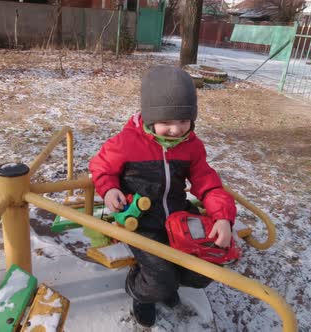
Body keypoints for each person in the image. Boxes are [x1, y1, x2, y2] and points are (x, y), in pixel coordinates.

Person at [88, 65, 237, 327]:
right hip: (143, 223)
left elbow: (208, 182)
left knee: (204, 271)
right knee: (160, 278)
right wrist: (110, 189)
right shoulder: (126, 143)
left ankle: (164, 285)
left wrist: (222, 217)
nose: (176, 130)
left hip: (179, 218)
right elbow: (101, 166)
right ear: (148, 117)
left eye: (183, 121)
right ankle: (142, 292)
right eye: (166, 122)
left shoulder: (191, 146)